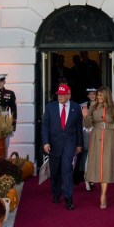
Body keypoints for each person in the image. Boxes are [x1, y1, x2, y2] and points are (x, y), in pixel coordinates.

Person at [41, 82, 83, 210]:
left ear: (68, 95)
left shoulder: (76, 108)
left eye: (62, 94)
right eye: (58, 94)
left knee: (66, 169)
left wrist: (79, 144)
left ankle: (69, 199)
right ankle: (56, 193)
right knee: (55, 171)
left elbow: (78, 128)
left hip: (69, 143)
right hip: (54, 144)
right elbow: (45, 126)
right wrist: (45, 142)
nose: (59, 96)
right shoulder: (50, 107)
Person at [84, 86, 114, 209]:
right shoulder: (93, 107)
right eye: (98, 95)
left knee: (106, 166)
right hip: (96, 137)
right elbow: (87, 124)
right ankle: (100, 190)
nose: (98, 97)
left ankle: (103, 195)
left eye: (101, 95)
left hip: (110, 138)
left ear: (106, 95)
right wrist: (85, 116)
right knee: (98, 166)